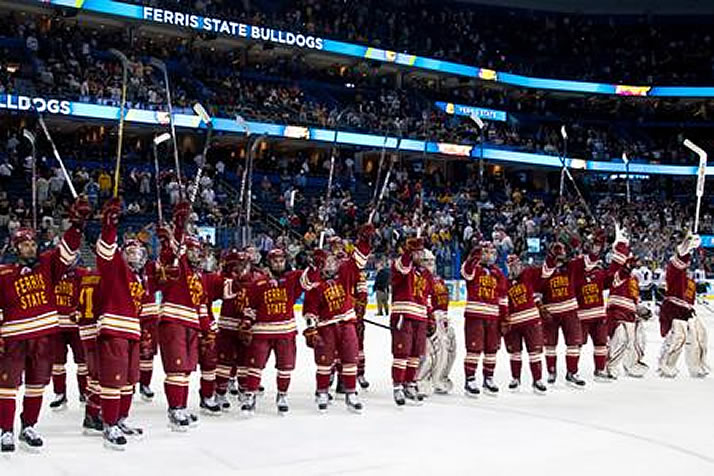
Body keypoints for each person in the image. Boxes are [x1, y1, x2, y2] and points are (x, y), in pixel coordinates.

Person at [0, 197, 88, 453]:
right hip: (14, 338)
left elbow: (68, 251)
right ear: (16, 248)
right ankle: (6, 430)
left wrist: (77, 226)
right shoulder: (4, 273)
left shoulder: (48, 265)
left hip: (44, 338)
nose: (30, 247)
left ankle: (28, 426)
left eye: (32, 243)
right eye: (24, 244)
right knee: (6, 386)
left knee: (36, 384)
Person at [94, 197, 150, 449]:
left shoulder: (141, 279)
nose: (134, 255)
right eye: (130, 251)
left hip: (133, 333)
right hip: (114, 330)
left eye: (138, 251)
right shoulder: (115, 268)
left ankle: (121, 418)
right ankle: (109, 424)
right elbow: (106, 249)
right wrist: (109, 226)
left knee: (129, 380)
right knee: (113, 381)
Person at [303, 224, 371, 413]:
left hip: (347, 323)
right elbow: (310, 310)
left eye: (333, 262)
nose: (331, 265)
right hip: (326, 326)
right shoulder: (316, 284)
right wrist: (311, 329)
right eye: (327, 263)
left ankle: (350, 392)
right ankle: (323, 391)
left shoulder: (346, 272)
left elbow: (360, 259)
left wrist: (364, 240)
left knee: (350, 358)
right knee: (324, 362)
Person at [159, 201, 216, 428]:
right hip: (173, 322)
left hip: (191, 325)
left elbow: (201, 305)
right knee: (176, 369)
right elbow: (171, 252)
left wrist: (207, 330)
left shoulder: (198, 276)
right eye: (191, 250)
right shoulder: (178, 265)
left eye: (198, 251)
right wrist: (179, 226)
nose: (195, 254)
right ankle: (175, 410)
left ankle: (181, 407)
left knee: (185, 371)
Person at [241, 248, 318, 414]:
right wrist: (246, 323)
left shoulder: (292, 279)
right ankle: (250, 395)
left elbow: (309, 282)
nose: (278, 263)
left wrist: (314, 266)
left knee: (285, 367)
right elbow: (250, 307)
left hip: (285, 332)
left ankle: (282, 395)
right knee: (255, 367)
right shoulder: (258, 283)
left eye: (281, 260)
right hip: (262, 332)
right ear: (269, 262)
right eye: (275, 260)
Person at [390, 237, 436, 406]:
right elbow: (402, 266)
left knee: (416, 354)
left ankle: (410, 383)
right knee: (401, 354)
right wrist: (408, 253)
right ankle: (398, 386)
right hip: (404, 316)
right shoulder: (401, 266)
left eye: (420, 252)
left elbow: (428, 298)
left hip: (420, 318)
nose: (419, 255)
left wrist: (430, 318)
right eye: (415, 252)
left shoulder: (426, 275)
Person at [658, 233, 709, 378]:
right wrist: (688, 245)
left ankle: (697, 366)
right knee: (678, 336)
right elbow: (680, 256)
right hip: (673, 308)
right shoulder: (674, 272)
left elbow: (690, 300)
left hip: (686, 309)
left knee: (700, 334)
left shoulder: (690, 281)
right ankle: (666, 365)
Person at [540, 241, 586, 388]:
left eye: (562, 253)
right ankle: (551, 372)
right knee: (550, 346)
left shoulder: (571, 267)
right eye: (557, 253)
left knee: (574, 343)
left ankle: (572, 372)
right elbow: (544, 275)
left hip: (570, 312)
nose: (561, 256)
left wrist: (580, 247)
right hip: (550, 314)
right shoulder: (544, 269)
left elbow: (589, 261)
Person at [502, 254, 547, 394]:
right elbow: (503, 303)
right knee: (515, 353)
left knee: (535, 352)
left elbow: (545, 271)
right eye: (510, 265)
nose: (513, 267)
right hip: (513, 324)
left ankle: (537, 380)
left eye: (515, 264)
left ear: (520, 264)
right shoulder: (504, 282)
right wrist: (503, 319)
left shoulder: (529, 273)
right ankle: (515, 378)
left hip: (531, 321)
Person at [49, 258, 89, 410]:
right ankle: (59, 393)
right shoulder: (51, 274)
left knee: (83, 362)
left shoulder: (81, 274)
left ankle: (84, 391)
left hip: (77, 325)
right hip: (56, 325)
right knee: (57, 364)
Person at [606, 241, 649, 379]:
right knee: (620, 339)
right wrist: (625, 262)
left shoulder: (634, 279)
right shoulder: (616, 272)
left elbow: (634, 298)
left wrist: (640, 309)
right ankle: (610, 366)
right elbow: (616, 279)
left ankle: (632, 364)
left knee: (635, 340)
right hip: (617, 311)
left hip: (630, 313)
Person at [417, 249, 457, 395]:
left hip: (443, 319)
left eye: (432, 261)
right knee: (431, 353)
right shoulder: (421, 279)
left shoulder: (439, 280)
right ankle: (421, 380)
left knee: (449, 351)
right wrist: (430, 318)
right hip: (430, 318)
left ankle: (440, 378)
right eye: (427, 261)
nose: (430, 264)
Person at [76, 268, 103, 435]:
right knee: (99, 375)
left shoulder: (87, 276)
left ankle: (93, 413)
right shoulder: (107, 275)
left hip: (85, 327)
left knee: (94, 374)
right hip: (98, 328)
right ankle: (92, 415)